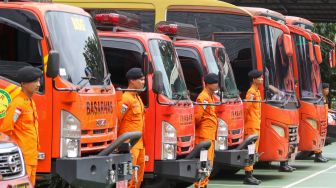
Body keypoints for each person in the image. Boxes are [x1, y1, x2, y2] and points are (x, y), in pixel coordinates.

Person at [0, 66, 42, 185]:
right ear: (23, 84)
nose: (38, 84)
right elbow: (6, 130)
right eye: (34, 81)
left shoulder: (30, 101)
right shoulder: (18, 104)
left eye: (38, 81)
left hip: (32, 156)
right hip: (23, 158)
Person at [117, 68, 145, 188]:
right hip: (128, 145)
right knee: (127, 177)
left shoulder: (138, 98)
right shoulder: (125, 98)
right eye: (141, 79)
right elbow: (117, 120)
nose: (143, 82)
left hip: (139, 145)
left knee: (137, 176)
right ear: (132, 81)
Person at [194, 73, 219, 188]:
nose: (217, 85)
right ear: (208, 84)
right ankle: (200, 185)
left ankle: (204, 185)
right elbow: (198, 117)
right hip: (204, 136)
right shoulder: (203, 97)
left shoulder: (211, 97)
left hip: (210, 135)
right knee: (203, 163)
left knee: (208, 163)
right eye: (215, 83)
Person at [243, 69, 262, 185]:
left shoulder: (257, 91)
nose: (262, 79)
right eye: (259, 78)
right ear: (254, 79)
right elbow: (246, 108)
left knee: (254, 151)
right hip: (251, 126)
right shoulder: (251, 92)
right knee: (250, 150)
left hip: (256, 125)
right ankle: (248, 175)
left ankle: (251, 174)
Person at [313, 83, 330, 163]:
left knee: (322, 138)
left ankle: (320, 154)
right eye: (326, 89)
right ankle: (317, 155)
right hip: (320, 120)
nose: (327, 91)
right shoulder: (319, 98)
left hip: (324, 120)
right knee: (319, 137)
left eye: (328, 89)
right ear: (322, 90)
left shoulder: (325, 98)